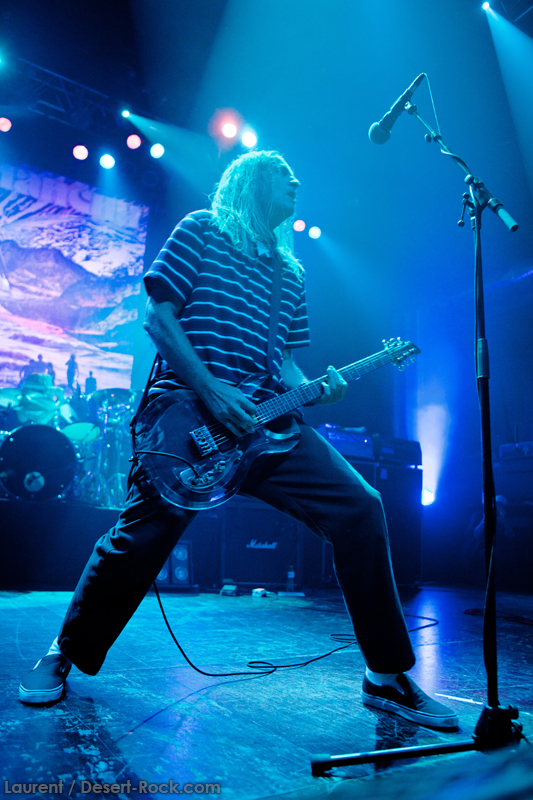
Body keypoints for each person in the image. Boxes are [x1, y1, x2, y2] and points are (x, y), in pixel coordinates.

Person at [19, 150, 458, 730]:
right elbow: (158, 318)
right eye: (282, 173)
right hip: (186, 414)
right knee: (139, 538)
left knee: (361, 506)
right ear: (251, 182)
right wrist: (212, 389)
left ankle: (386, 677)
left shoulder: (290, 273)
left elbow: (285, 365)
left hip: (264, 428)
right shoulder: (201, 230)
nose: (296, 180)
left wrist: (320, 391)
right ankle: (64, 651)